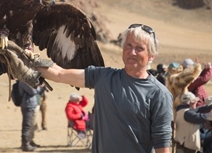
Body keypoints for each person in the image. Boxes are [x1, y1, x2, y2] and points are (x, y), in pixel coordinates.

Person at [35, 24, 173, 153]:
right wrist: (27, 58)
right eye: (128, 45)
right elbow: (60, 74)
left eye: (139, 48)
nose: (132, 52)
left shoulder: (159, 94)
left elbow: (162, 144)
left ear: (151, 56)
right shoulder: (103, 77)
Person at [19, 80, 42, 152]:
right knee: (27, 125)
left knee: (33, 124)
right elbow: (33, 91)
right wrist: (40, 87)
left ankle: (30, 141)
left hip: (33, 104)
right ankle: (25, 144)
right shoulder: (24, 81)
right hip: (28, 105)